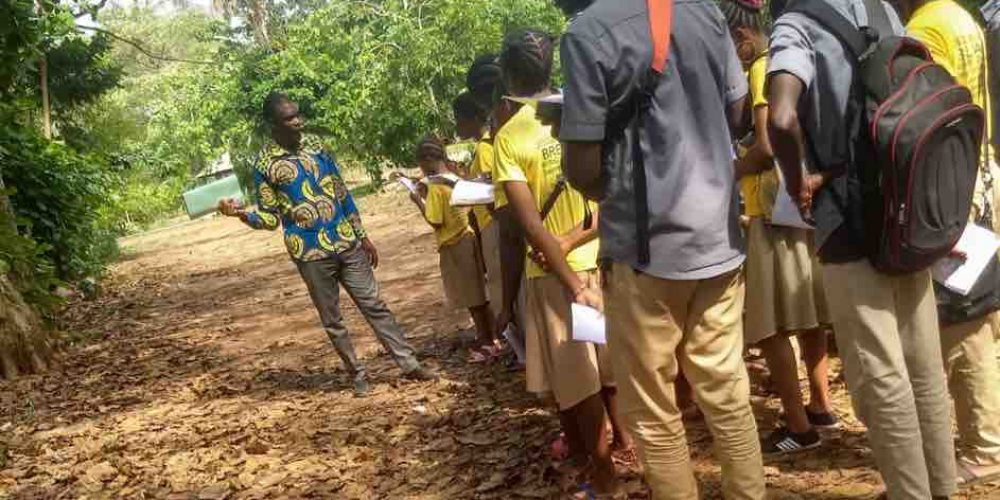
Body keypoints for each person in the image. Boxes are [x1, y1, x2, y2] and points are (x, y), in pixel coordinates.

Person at [559, 0, 766, 498]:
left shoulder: (588, 34)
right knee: (728, 393)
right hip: (718, 239)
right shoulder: (705, 11)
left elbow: (584, 171)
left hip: (646, 252)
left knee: (653, 412)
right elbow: (736, 112)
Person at [766, 1, 957, 498]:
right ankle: (940, 487)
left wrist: (796, 183)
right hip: (904, 202)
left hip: (847, 215)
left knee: (880, 372)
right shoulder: (883, 10)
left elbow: (782, 118)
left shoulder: (795, 25)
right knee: (921, 363)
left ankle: (908, 493)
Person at [218, 92, 437, 398]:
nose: (298, 121)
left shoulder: (317, 148)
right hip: (310, 252)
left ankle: (409, 364)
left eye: (297, 115)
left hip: (346, 241)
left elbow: (342, 193)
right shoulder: (265, 165)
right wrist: (242, 215)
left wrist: (363, 236)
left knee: (374, 305)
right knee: (333, 319)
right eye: (289, 118)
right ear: (272, 125)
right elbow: (269, 219)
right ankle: (357, 374)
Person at [493, 29, 621, 498]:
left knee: (577, 381)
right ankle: (628, 450)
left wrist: (569, 280)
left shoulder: (508, 137)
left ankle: (605, 478)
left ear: (508, 75)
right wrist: (578, 244)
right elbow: (611, 191)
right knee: (610, 367)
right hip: (602, 261)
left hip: (552, 278)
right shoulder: (582, 110)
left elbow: (527, 225)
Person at [722, 0, 837, 456]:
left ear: (741, 40)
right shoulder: (799, 59)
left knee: (769, 328)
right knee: (808, 315)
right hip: (802, 202)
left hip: (773, 212)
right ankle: (821, 405)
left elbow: (767, 144)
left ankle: (798, 427)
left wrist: (726, 173)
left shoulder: (761, 70)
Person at [893, 0, 1000, 485]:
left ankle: (984, 447)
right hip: (978, 174)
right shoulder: (962, 17)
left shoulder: (923, 28)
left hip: (951, 190)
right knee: (973, 318)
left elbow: (927, 115)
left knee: (963, 324)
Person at [408, 137, 500, 363]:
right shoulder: (452, 178)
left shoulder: (435, 186)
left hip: (454, 243)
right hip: (467, 237)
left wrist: (417, 200)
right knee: (479, 292)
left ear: (426, 161)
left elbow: (436, 221)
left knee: (472, 297)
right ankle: (492, 337)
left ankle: (487, 341)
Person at [452, 92, 505, 330]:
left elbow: (490, 188)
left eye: (458, 119)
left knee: (499, 286)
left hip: (492, 223)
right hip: (489, 223)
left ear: (472, 117)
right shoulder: (483, 146)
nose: (456, 126)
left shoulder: (484, 148)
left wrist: (459, 188)